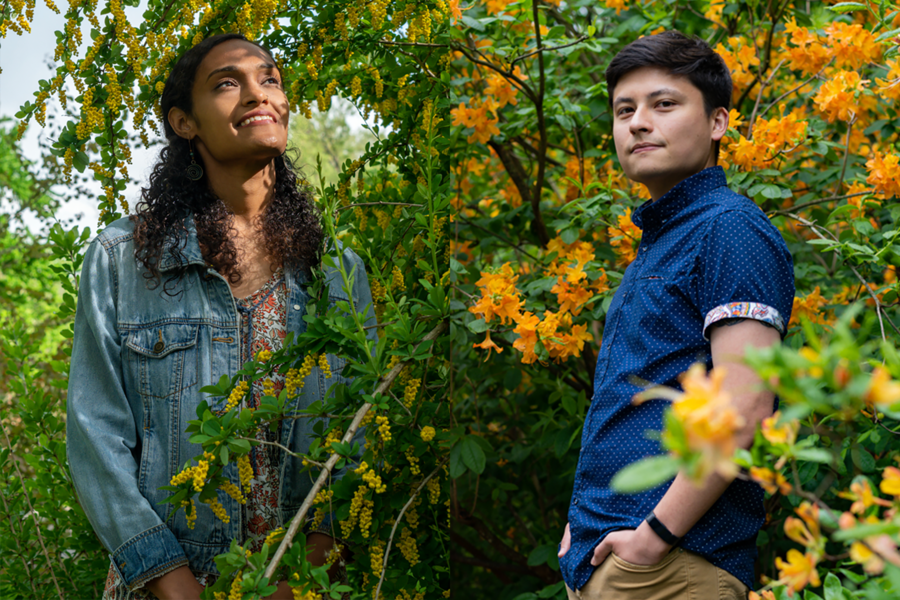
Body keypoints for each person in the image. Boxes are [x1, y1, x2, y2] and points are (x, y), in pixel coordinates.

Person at [66, 33, 375, 600]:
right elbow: (94, 434)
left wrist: (304, 574)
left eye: (270, 79)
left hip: (303, 586)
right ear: (185, 123)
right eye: (228, 83)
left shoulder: (338, 273)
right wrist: (175, 584)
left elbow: (357, 442)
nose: (259, 94)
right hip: (164, 586)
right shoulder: (123, 260)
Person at [556, 31, 794, 599]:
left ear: (718, 123)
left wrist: (652, 538)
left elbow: (747, 404)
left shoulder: (728, 228)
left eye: (664, 104)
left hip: (674, 567)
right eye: (624, 110)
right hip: (616, 563)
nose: (638, 122)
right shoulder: (666, 238)